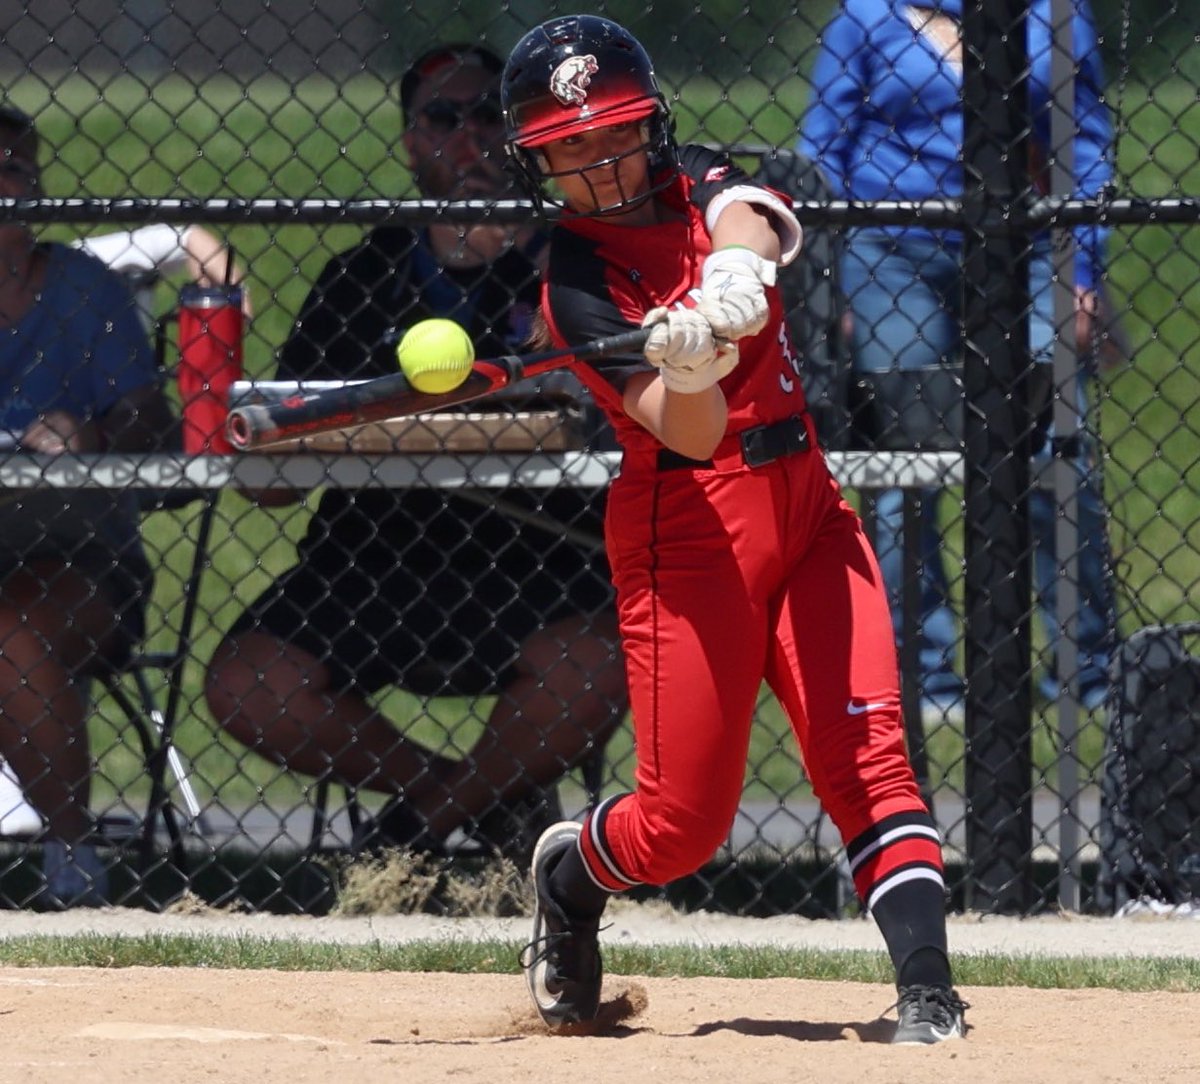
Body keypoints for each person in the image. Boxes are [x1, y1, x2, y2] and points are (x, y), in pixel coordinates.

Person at [501, 15, 967, 1044]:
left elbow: (751, 214)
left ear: (651, 123)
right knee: (680, 827)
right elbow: (692, 430)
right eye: (569, 146)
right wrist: (688, 362)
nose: (599, 159)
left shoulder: (693, 178)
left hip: (804, 499)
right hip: (689, 528)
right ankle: (573, 878)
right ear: (538, 161)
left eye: (614, 131)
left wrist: (731, 282)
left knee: (870, 754)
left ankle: (928, 991)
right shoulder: (576, 288)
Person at [204, 44, 627, 862]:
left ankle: (411, 830)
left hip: (541, 556)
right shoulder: (363, 272)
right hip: (373, 555)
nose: (468, 137)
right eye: (443, 117)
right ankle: (474, 798)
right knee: (247, 684)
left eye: (489, 117)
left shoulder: (576, 263)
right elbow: (275, 476)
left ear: (525, 136)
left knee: (596, 662)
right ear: (410, 142)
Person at [799, 0, 1123, 723]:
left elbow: (1089, 141)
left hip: (1030, 238)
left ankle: (1088, 664)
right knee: (905, 465)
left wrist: (1084, 271)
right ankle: (924, 673)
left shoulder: (1056, 13)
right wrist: (826, 277)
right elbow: (824, 148)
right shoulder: (867, 15)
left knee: (1055, 446)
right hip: (888, 248)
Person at [0, 104, 177, 907]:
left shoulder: (80, 287)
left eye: (18, 172)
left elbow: (151, 419)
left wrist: (92, 427)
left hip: (82, 560)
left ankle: (71, 859)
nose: (9, 190)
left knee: (13, 623)